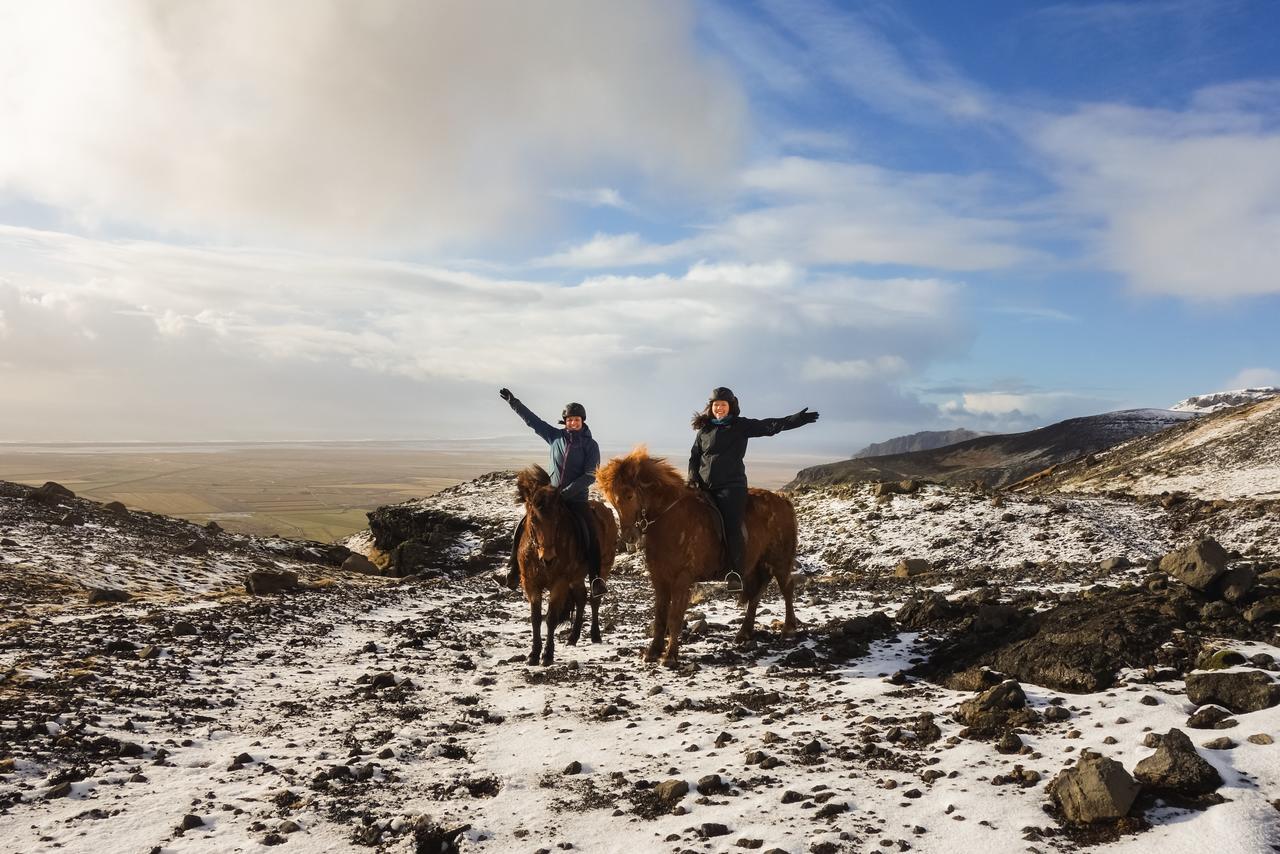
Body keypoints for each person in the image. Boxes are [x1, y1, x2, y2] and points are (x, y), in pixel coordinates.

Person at [689, 387, 819, 592]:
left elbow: (770, 426)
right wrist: (692, 478)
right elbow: (695, 457)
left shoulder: (741, 426)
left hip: (731, 487)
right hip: (704, 487)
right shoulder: (704, 430)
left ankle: (735, 573)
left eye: (723, 405)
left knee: (732, 525)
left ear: (731, 407)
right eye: (716, 405)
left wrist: (796, 420)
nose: (719, 409)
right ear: (711, 407)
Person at [499, 388, 606, 597]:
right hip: (552, 500)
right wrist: (514, 403)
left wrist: (566, 493)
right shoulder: (555, 437)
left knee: (590, 533)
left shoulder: (591, 445)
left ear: (582, 421)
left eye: (577, 420)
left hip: (576, 500)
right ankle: (512, 571)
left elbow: (590, 475)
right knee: (523, 525)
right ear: (565, 421)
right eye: (569, 419)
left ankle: (595, 579)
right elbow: (533, 422)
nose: (573, 423)